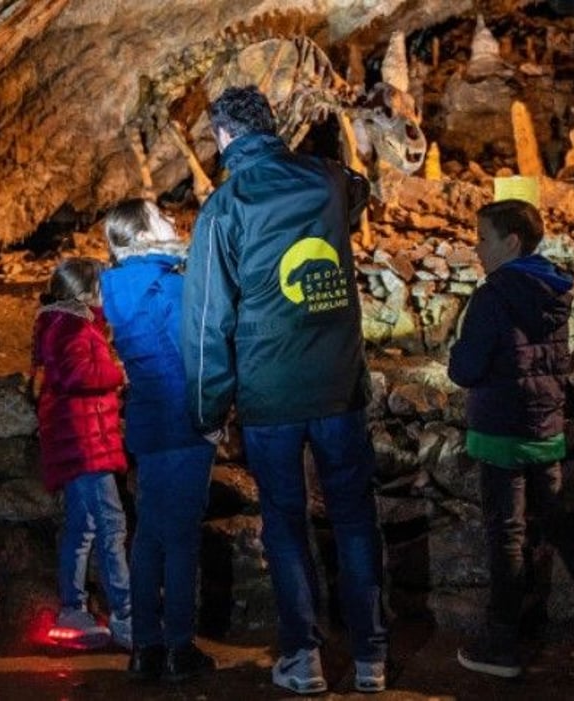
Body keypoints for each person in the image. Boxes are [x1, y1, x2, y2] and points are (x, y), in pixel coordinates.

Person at [180, 85, 388, 695]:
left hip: (270, 394)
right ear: (271, 125)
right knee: (355, 517)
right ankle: (372, 656)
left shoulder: (225, 207)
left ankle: (305, 656)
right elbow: (360, 191)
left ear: (223, 136)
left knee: (285, 523)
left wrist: (208, 409)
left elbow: (207, 322)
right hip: (337, 384)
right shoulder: (326, 178)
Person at [447, 200, 574, 678]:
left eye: (483, 238)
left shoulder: (494, 295)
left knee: (506, 535)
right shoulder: (553, 290)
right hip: (544, 429)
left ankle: (501, 643)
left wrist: (458, 354)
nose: (476, 247)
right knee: (560, 524)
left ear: (511, 242)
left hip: (500, 433)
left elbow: (465, 369)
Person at [100, 199, 217, 683]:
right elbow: (199, 354)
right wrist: (212, 413)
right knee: (183, 538)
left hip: (148, 422)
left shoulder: (118, 289)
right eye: (160, 215)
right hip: (184, 422)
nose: (173, 220)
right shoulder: (172, 285)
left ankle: (144, 645)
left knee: (148, 535)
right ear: (144, 233)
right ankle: (179, 646)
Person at [31, 257, 132, 650]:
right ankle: (126, 614)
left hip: (80, 441)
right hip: (85, 443)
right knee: (111, 525)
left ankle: (73, 608)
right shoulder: (71, 326)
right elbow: (77, 376)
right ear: (87, 291)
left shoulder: (60, 323)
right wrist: (118, 374)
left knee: (84, 525)